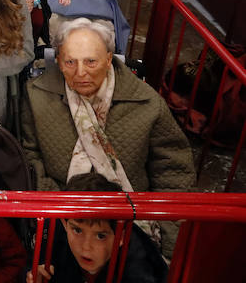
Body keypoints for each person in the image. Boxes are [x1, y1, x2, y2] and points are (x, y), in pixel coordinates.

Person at [21, 17, 195, 255]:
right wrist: (59, 203)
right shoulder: (36, 95)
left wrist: (169, 236)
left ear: (108, 60)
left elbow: (173, 168)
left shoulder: (147, 102)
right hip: (62, 214)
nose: (81, 72)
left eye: (91, 62)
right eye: (70, 62)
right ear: (59, 61)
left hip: (129, 213)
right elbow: (30, 156)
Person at [26, 173, 167, 283]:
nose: (86, 247)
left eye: (100, 236)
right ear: (65, 224)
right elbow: (31, 266)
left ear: (121, 237)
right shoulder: (53, 232)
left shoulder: (138, 264)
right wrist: (32, 277)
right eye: (77, 230)